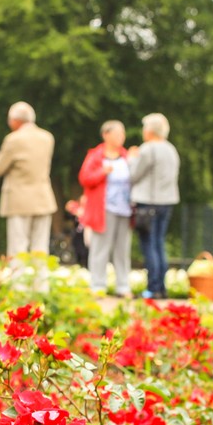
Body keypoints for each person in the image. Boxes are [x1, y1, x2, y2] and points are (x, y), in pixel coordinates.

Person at [0, 101, 57, 290]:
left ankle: (19, 288)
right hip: (43, 198)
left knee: (18, 247)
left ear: (15, 121)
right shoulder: (47, 138)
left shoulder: (14, 139)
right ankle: (41, 288)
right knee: (40, 248)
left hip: (19, 199)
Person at [128, 113, 180, 299]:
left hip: (148, 203)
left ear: (149, 131)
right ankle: (161, 287)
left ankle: (152, 287)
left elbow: (134, 175)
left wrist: (131, 158)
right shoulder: (171, 149)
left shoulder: (147, 149)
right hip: (167, 202)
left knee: (148, 244)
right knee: (159, 243)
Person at [79, 120, 132, 297]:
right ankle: (98, 285)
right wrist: (102, 172)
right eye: (117, 133)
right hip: (103, 209)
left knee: (122, 249)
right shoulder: (96, 156)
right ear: (106, 135)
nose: (121, 137)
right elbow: (85, 178)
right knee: (100, 248)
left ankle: (123, 286)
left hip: (124, 209)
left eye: (123, 133)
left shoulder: (126, 156)